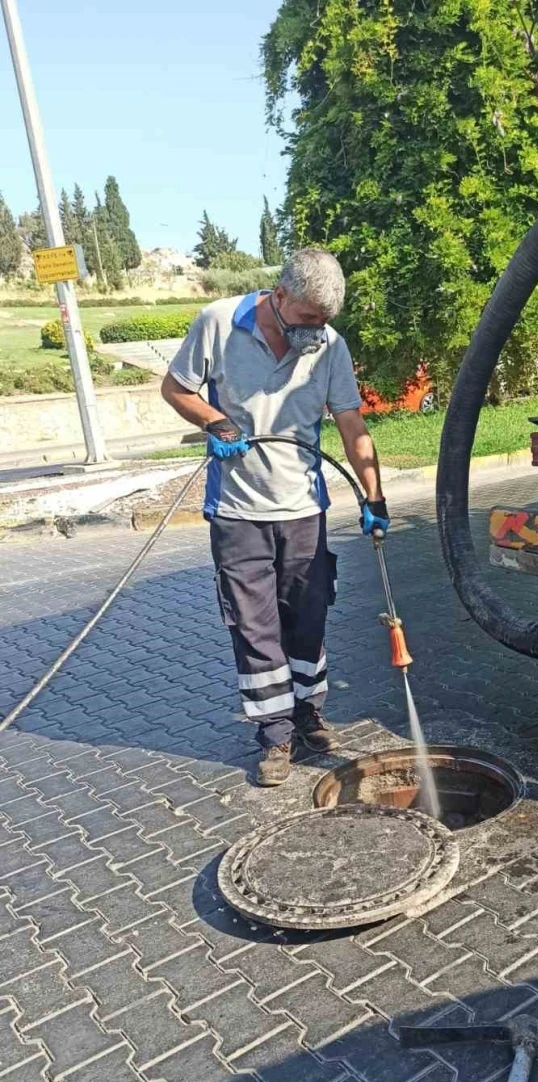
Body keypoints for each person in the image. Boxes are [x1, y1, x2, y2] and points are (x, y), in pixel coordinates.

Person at [161, 247, 389, 786]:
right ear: (280, 295)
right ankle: (274, 735)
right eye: (309, 317)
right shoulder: (218, 323)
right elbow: (175, 389)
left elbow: (353, 427)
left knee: (307, 619)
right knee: (254, 626)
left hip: (304, 509)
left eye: (326, 320)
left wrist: (373, 497)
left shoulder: (330, 346)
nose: (317, 329)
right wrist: (216, 423)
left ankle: (309, 712)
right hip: (237, 511)